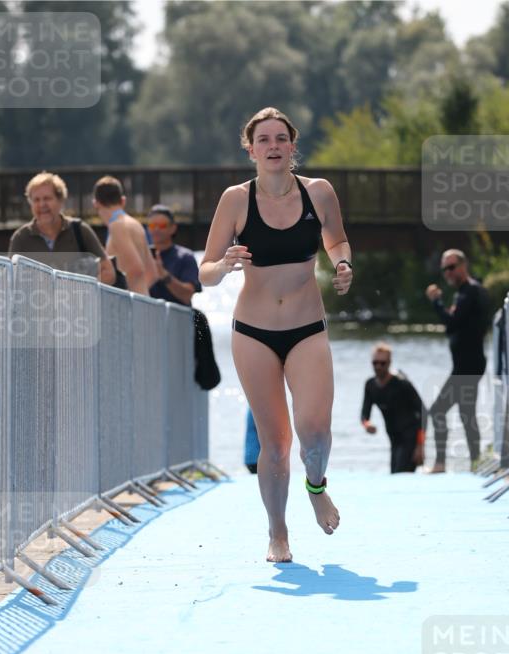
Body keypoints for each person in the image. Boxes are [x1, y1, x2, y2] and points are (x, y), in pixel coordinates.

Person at [198, 106, 353, 563]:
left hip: (307, 327)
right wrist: (224, 264)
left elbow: (337, 240)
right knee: (276, 443)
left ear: (292, 145)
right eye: (263, 140)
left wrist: (343, 263)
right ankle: (278, 533)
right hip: (253, 333)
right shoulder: (235, 200)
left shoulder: (319, 193)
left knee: (317, 435)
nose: (272, 147)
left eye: (280, 139)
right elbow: (204, 271)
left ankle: (317, 486)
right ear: (251, 149)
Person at [425, 249, 490, 473]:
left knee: (438, 411)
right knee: (466, 414)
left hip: (468, 366)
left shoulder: (470, 292)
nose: (448, 273)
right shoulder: (466, 292)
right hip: (468, 364)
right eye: (445, 269)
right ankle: (476, 463)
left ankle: (441, 463)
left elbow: (452, 323)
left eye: (452, 267)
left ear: (464, 265)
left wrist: (436, 302)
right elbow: (458, 325)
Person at [9, 172, 115, 284]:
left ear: (61, 200)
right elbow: (11, 281)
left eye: (47, 198)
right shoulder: (20, 238)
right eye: (36, 200)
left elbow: (108, 272)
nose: (42, 204)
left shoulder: (80, 230)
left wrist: (84, 292)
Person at [361, 342, 425, 473]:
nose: (378, 366)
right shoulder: (370, 385)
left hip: (410, 438)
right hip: (394, 439)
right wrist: (367, 425)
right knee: (394, 475)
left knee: (400, 476)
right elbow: (364, 413)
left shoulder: (402, 383)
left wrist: (420, 447)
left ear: (389, 363)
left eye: (382, 363)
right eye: (375, 363)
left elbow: (423, 412)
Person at [92, 175, 157, 295]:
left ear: (95, 203)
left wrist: (119, 297)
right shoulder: (136, 224)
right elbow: (152, 273)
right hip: (143, 303)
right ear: (123, 201)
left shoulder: (117, 226)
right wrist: (141, 294)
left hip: (128, 308)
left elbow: (135, 269)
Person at [147, 205, 201, 305]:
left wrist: (163, 274)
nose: (156, 229)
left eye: (162, 225)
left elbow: (187, 295)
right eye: (152, 226)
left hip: (178, 319)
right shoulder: (143, 256)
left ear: (173, 228)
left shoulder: (185, 257)